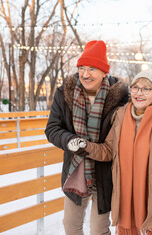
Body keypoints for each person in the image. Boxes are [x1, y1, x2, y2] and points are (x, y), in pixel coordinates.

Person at [68, 71, 152, 235]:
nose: (139, 93)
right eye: (135, 87)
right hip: (126, 204)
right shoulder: (120, 116)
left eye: (146, 89)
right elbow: (108, 150)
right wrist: (85, 146)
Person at [45, 40, 129, 235]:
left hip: (105, 171)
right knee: (71, 226)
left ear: (104, 72)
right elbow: (52, 128)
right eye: (81, 68)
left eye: (92, 68)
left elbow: (144, 114)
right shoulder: (64, 93)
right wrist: (69, 140)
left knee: (99, 229)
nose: (85, 74)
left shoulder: (120, 98)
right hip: (75, 170)